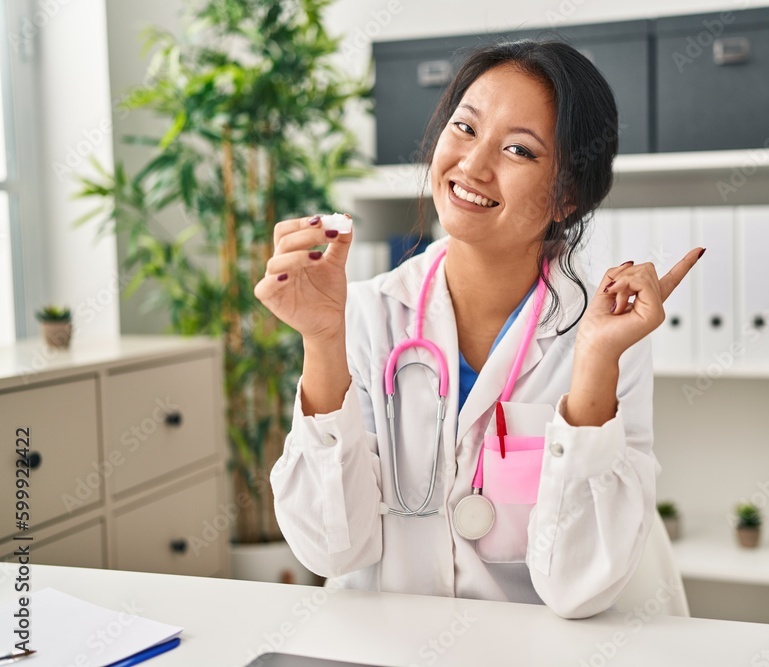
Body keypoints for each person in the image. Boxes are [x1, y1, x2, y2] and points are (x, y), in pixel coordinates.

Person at [254, 39, 703, 619]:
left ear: (568, 195)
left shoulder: (606, 335)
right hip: (387, 644)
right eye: (464, 128)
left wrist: (593, 365)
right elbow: (331, 551)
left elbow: (579, 588)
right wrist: (321, 341)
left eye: (519, 149)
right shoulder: (366, 314)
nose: (472, 165)